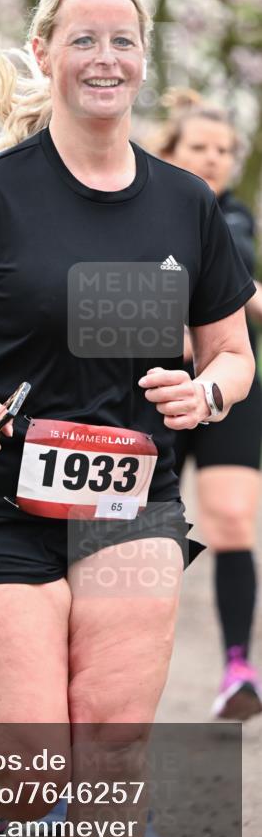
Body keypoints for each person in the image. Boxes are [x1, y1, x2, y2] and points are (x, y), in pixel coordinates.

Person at [0, 0, 255, 837]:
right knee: (35, 762)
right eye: (83, 38)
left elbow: (234, 354)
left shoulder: (185, 204)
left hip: (130, 499)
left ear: (142, 61)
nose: (104, 57)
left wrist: (206, 394)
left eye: (122, 40)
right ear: (44, 54)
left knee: (114, 743)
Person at [152, 91, 262, 720]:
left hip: (227, 389)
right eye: (199, 148)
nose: (214, 160)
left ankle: (239, 667)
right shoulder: (136, 212)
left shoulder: (236, 220)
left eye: (224, 151)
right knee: (130, 533)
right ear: (168, 152)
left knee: (230, 519)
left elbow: (238, 273)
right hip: (151, 391)